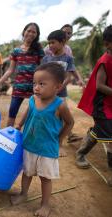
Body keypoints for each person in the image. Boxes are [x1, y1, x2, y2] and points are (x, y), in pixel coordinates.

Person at [11, 62, 74, 217]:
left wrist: (59, 140)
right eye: (34, 83)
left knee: (45, 178)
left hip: (47, 149)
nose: (36, 87)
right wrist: (18, 125)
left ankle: (45, 205)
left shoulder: (60, 105)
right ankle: (23, 194)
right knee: (27, 172)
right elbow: (27, 112)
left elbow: (70, 122)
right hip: (29, 144)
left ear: (57, 87)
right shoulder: (33, 99)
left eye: (42, 84)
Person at [76, 25, 112, 186]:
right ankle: (81, 154)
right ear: (107, 44)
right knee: (109, 136)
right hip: (102, 105)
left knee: (103, 132)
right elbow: (99, 85)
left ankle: (82, 151)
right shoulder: (105, 60)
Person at [0, 23, 44, 127]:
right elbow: (10, 70)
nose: (31, 33)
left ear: (37, 35)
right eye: (29, 31)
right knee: (12, 112)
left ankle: (29, 137)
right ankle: (7, 138)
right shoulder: (16, 51)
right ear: (24, 32)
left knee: (34, 113)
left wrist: (42, 85)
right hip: (19, 86)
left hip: (34, 87)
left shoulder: (39, 50)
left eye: (34, 32)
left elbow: (43, 69)